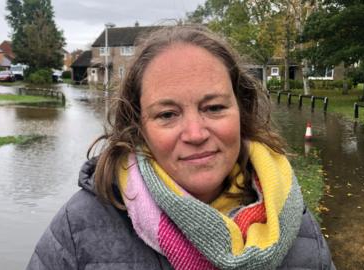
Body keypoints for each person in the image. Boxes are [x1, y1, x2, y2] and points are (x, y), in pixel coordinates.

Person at [27, 26, 334, 270]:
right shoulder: (79, 226)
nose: (196, 133)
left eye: (213, 108)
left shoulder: (290, 216)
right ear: (139, 127)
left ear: (242, 110)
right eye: (167, 114)